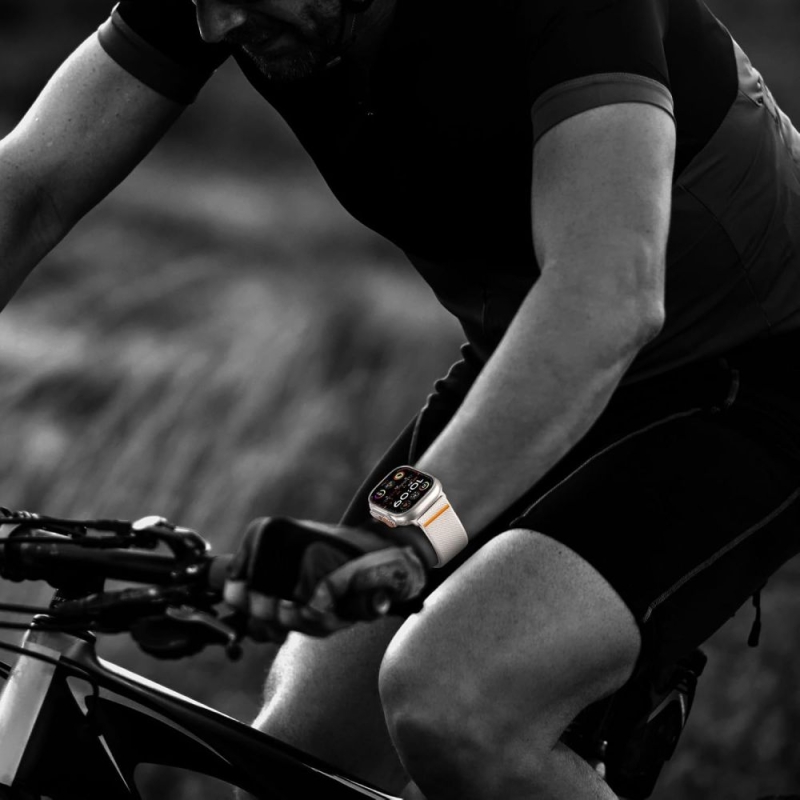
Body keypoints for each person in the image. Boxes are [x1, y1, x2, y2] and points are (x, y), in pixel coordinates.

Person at [2, 1, 800, 798]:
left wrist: (405, 535)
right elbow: (30, 185)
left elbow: (608, 299)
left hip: (752, 364)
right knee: (302, 758)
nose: (215, 26)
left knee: (456, 703)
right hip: (529, 356)